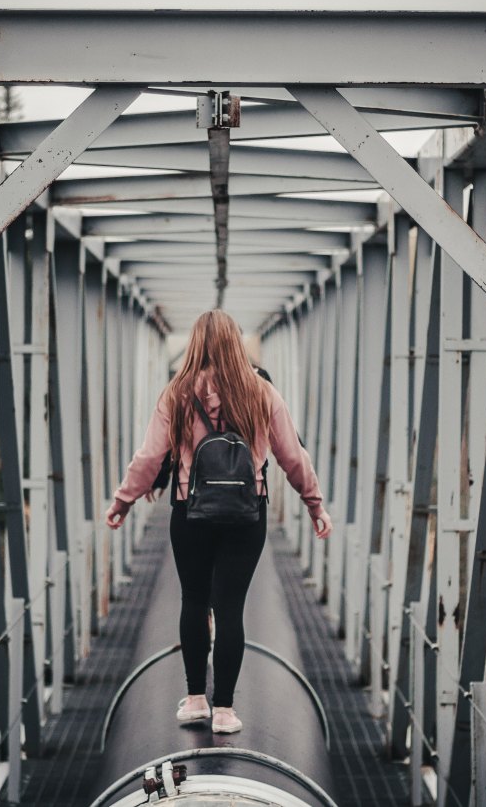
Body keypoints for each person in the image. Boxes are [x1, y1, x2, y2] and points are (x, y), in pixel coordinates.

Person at [105, 309, 332, 735]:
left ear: (195, 343)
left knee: (193, 600)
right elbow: (292, 456)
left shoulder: (176, 393)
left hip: (190, 512)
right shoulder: (261, 392)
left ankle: (194, 700)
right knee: (230, 608)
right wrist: (314, 504)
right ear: (236, 343)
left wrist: (124, 500)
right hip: (247, 515)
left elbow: (150, 457)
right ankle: (225, 710)